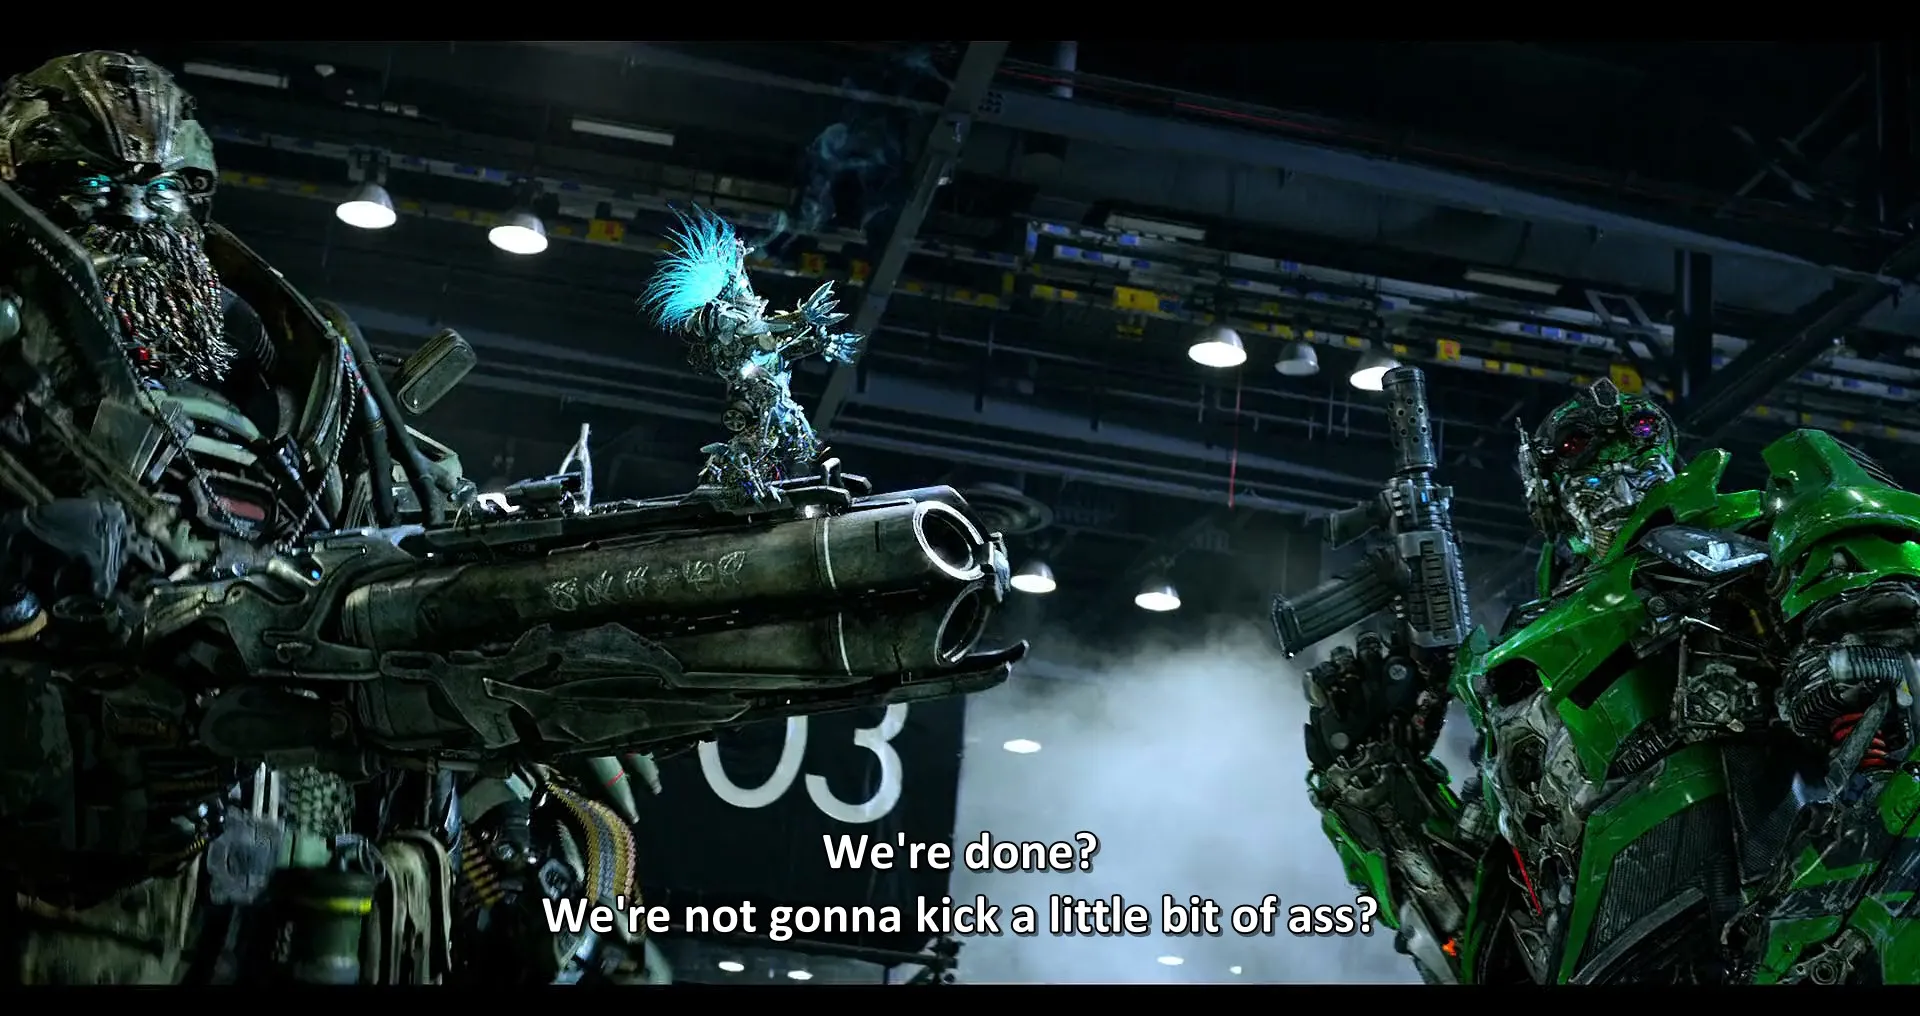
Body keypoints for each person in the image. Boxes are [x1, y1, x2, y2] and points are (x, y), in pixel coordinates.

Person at [0, 50, 650, 985]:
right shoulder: (23, 402)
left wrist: (509, 825)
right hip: (73, 900)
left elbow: (435, 628)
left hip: (303, 902)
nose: (139, 214)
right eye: (94, 185)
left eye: (170, 187)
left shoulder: (307, 407)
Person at [1297, 378, 1920, 983]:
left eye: (1640, 458)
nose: (1621, 482)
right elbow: (1475, 935)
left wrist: (1849, 640)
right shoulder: (1516, 677)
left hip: (1793, 895)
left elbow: (1874, 592)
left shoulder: (1744, 538)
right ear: (1553, 501)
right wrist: (1378, 788)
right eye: (1591, 474)